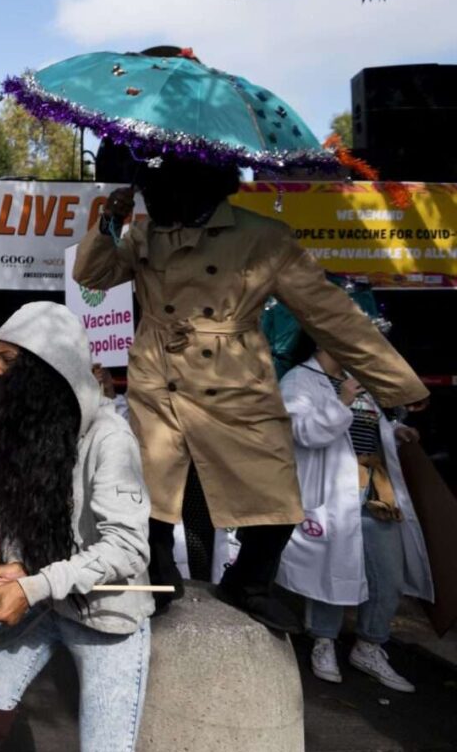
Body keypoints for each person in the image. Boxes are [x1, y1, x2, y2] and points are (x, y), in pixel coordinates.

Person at [75, 156, 428, 631]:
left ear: (198, 186)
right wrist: (108, 224)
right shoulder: (145, 234)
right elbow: (91, 278)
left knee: (275, 488)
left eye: (157, 188)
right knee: (150, 489)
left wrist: (394, 381)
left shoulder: (265, 237)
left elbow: (329, 313)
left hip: (237, 373)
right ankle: (159, 580)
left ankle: (248, 583)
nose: (152, 199)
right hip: (159, 372)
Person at [0, 302, 152, 752]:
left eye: (9, 361)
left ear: (49, 371)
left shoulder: (110, 438)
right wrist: (18, 563)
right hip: (48, 606)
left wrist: (32, 587)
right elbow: (19, 512)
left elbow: (127, 549)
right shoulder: (30, 426)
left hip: (108, 620)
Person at [276, 327, 432, 693]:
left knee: (388, 576)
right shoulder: (300, 380)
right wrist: (341, 400)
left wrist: (394, 432)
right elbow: (302, 432)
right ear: (323, 339)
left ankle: (370, 645)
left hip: (376, 493)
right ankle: (324, 642)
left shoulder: (356, 380)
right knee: (332, 569)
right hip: (332, 493)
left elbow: (364, 429)